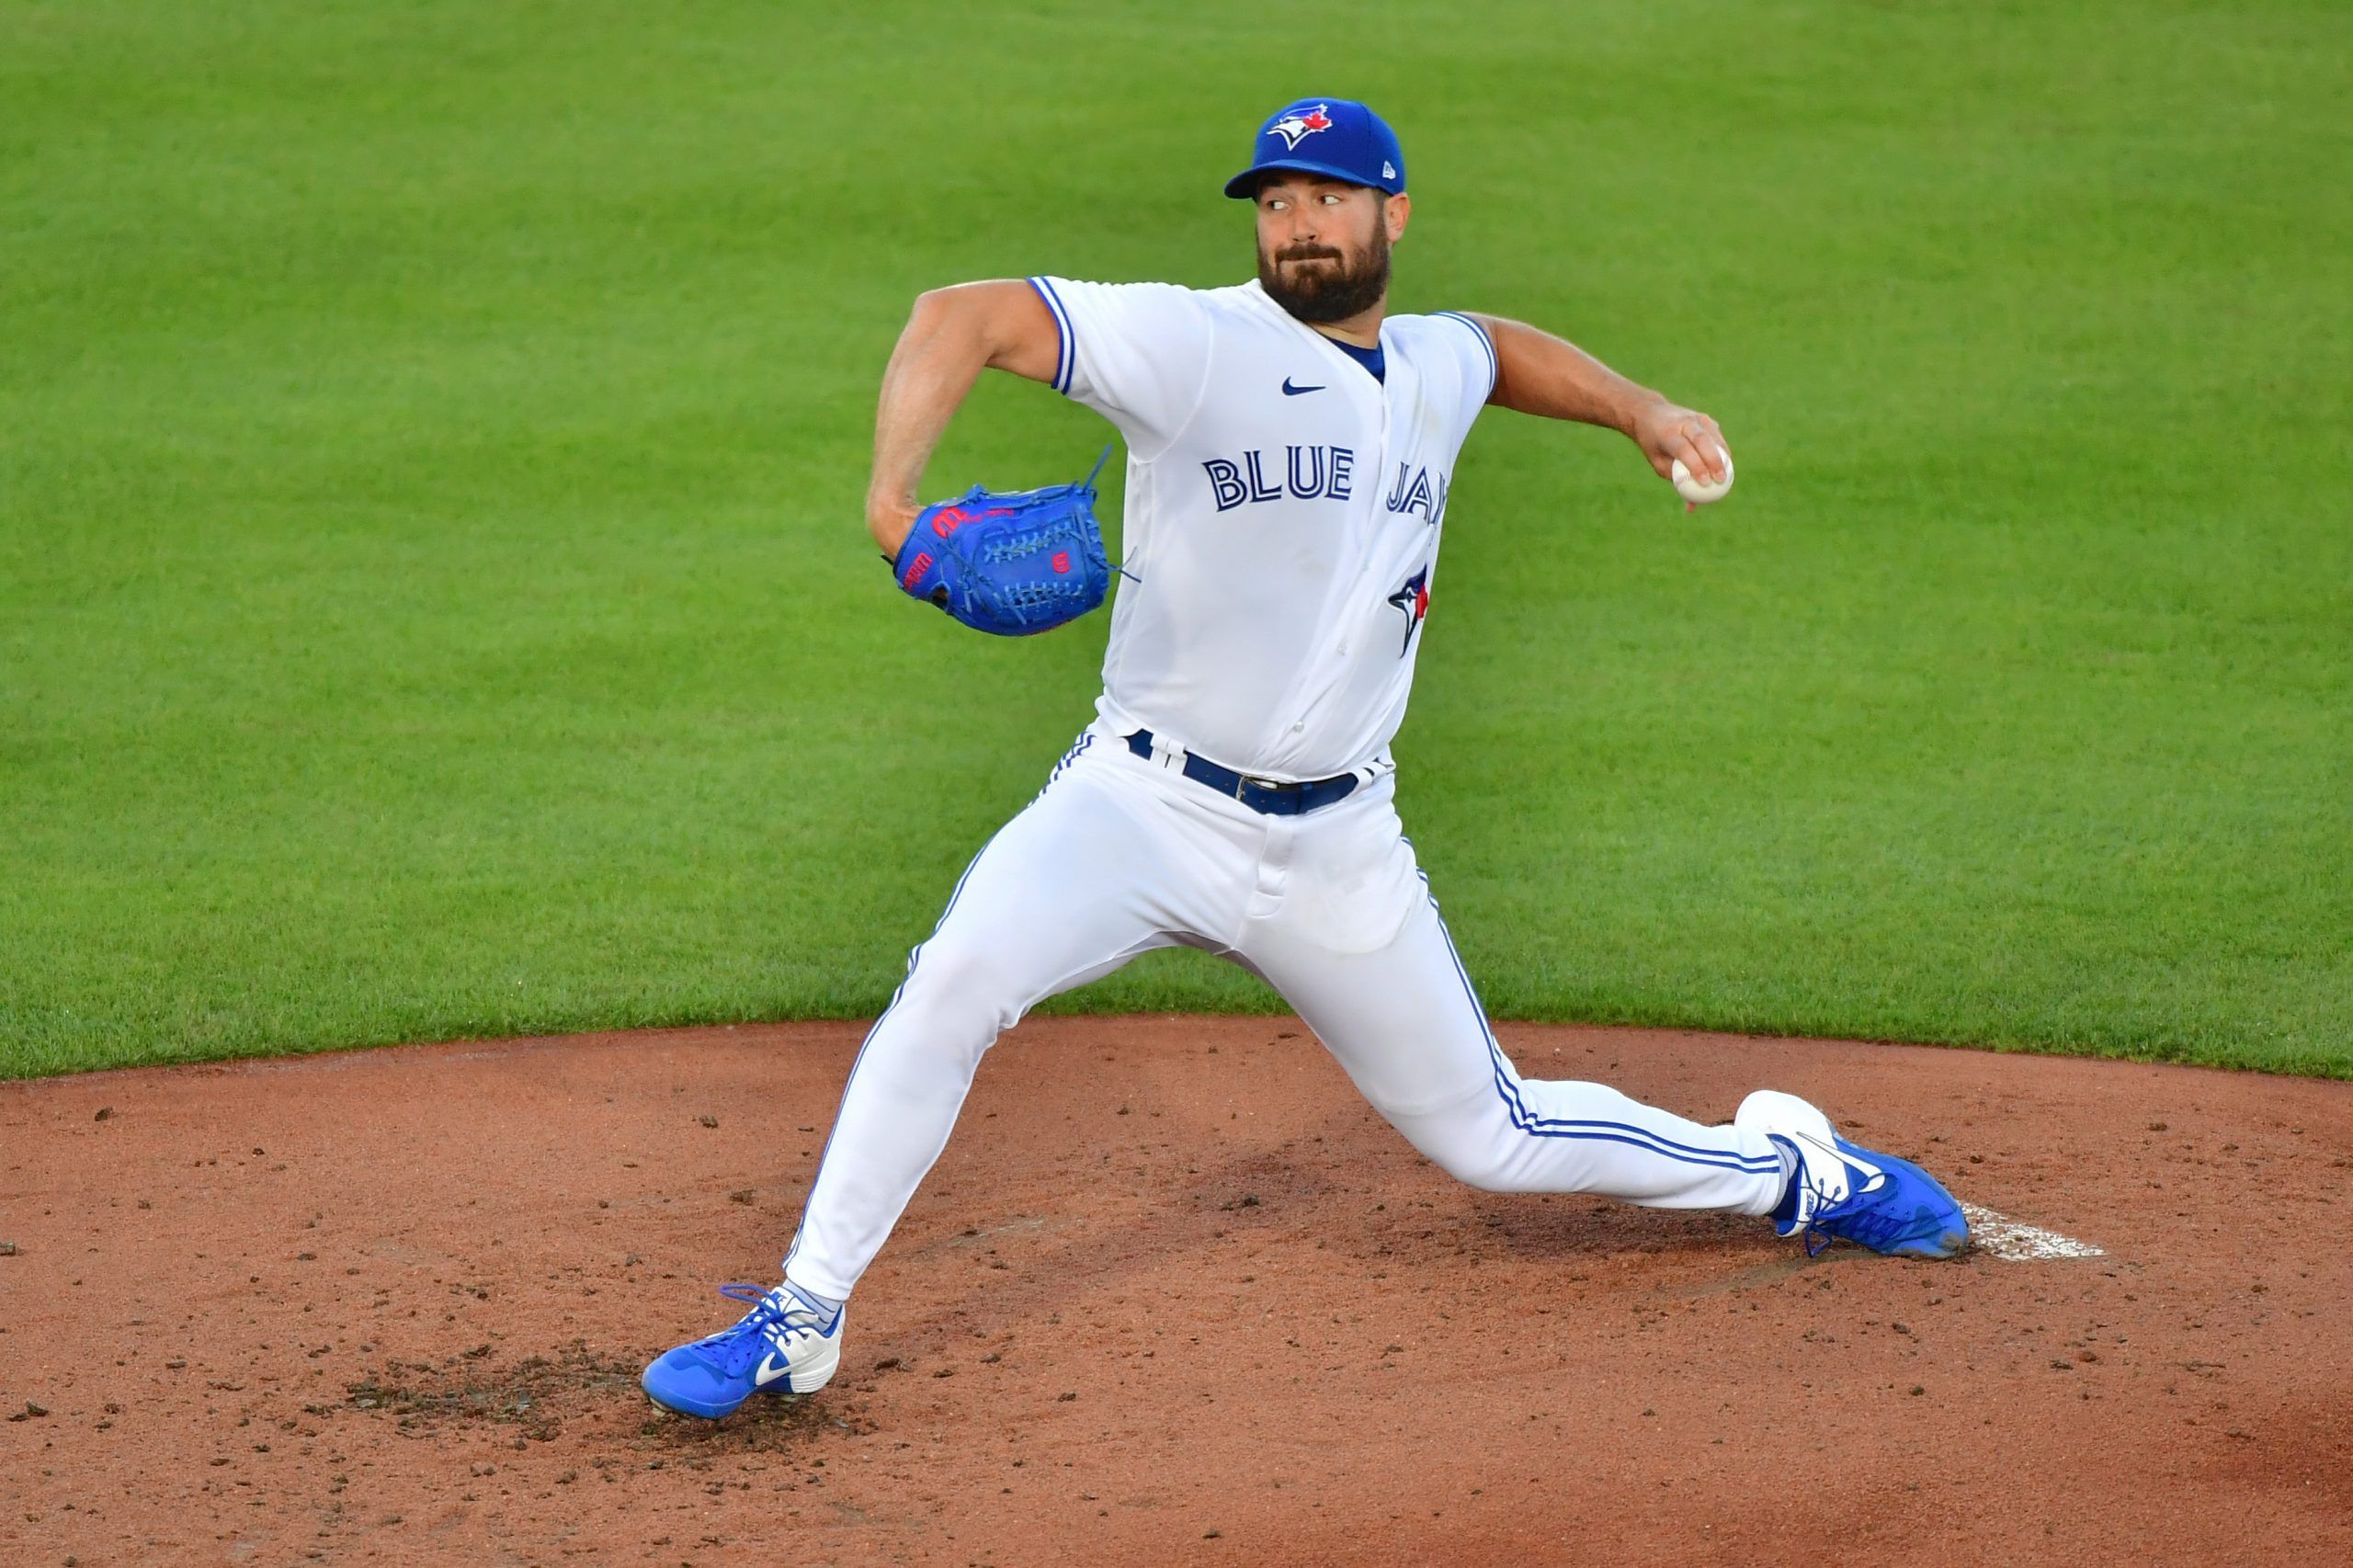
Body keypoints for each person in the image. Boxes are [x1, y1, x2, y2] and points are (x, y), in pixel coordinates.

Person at [641, 97, 1967, 1421]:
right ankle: (801, 1313)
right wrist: (892, 509)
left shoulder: (1433, 365)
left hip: (1336, 843)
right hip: (1141, 802)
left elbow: (1498, 352)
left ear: (1393, 213)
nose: (1298, 226)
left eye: (1327, 197)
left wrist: (1640, 409)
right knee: (954, 981)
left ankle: (1795, 1170)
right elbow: (959, 315)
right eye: (1276, 202)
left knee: (1492, 1137)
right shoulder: (1195, 341)